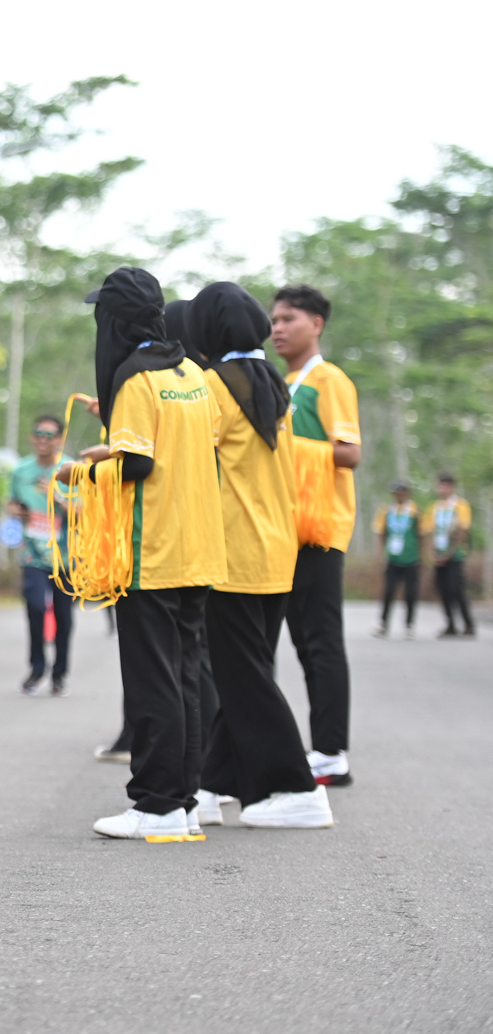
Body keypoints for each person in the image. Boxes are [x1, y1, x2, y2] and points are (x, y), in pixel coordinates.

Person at [74, 267, 226, 841]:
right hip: (197, 548)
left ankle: (156, 804)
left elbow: (136, 464)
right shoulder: (193, 373)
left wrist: (81, 470)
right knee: (184, 679)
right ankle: (183, 803)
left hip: (151, 552)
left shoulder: (135, 379)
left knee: (151, 683)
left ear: (113, 321)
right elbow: (194, 444)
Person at [184, 282, 334, 829]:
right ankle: (211, 785)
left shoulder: (213, 385)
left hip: (235, 551)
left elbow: (184, 454)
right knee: (243, 672)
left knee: (244, 678)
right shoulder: (271, 381)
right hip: (275, 548)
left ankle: (296, 788)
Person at [270, 283, 362, 788]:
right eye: (274, 320)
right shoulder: (282, 382)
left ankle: (330, 753)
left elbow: (349, 452)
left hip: (319, 530)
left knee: (321, 643)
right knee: (299, 645)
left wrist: (283, 445)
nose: (277, 328)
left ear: (317, 324)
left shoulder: (328, 380)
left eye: (289, 319)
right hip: (283, 530)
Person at [9, 414, 74, 696]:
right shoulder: (21, 471)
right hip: (32, 554)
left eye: (49, 435)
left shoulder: (72, 470)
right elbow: (12, 503)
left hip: (66, 556)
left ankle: (59, 674)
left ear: (59, 439)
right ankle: (37, 668)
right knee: (35, 607)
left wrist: (56, 497)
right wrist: (16, 511)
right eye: (38, 434)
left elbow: (84, 512)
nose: (43, 440)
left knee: (63, 616)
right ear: (31, 437)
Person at [428, 473, 475, 637]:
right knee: (443, 590)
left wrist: (449, 553)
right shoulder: (435, 507)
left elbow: (463, 530)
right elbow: (430, 532)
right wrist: (433, 554)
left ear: (452, 487)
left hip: (455, 555)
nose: (442, 489)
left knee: (457, 589)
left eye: (445, 486)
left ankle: (468, 624)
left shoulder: (460, 505)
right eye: (440, 485)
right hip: (438, 555)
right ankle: (450, 624)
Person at [373, 482, 422, 639]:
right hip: (393, 558)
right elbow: (381, 533)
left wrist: (422, 556)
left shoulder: (415, 511)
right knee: (388, 591)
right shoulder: (387, 511)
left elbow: (421, 534)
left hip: (411, 558)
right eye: (396, 493)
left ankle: (409, 625)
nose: (399, 496)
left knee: (410, 593)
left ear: (407, 494)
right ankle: (383, 623)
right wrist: (380, 554)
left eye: (402, 493)